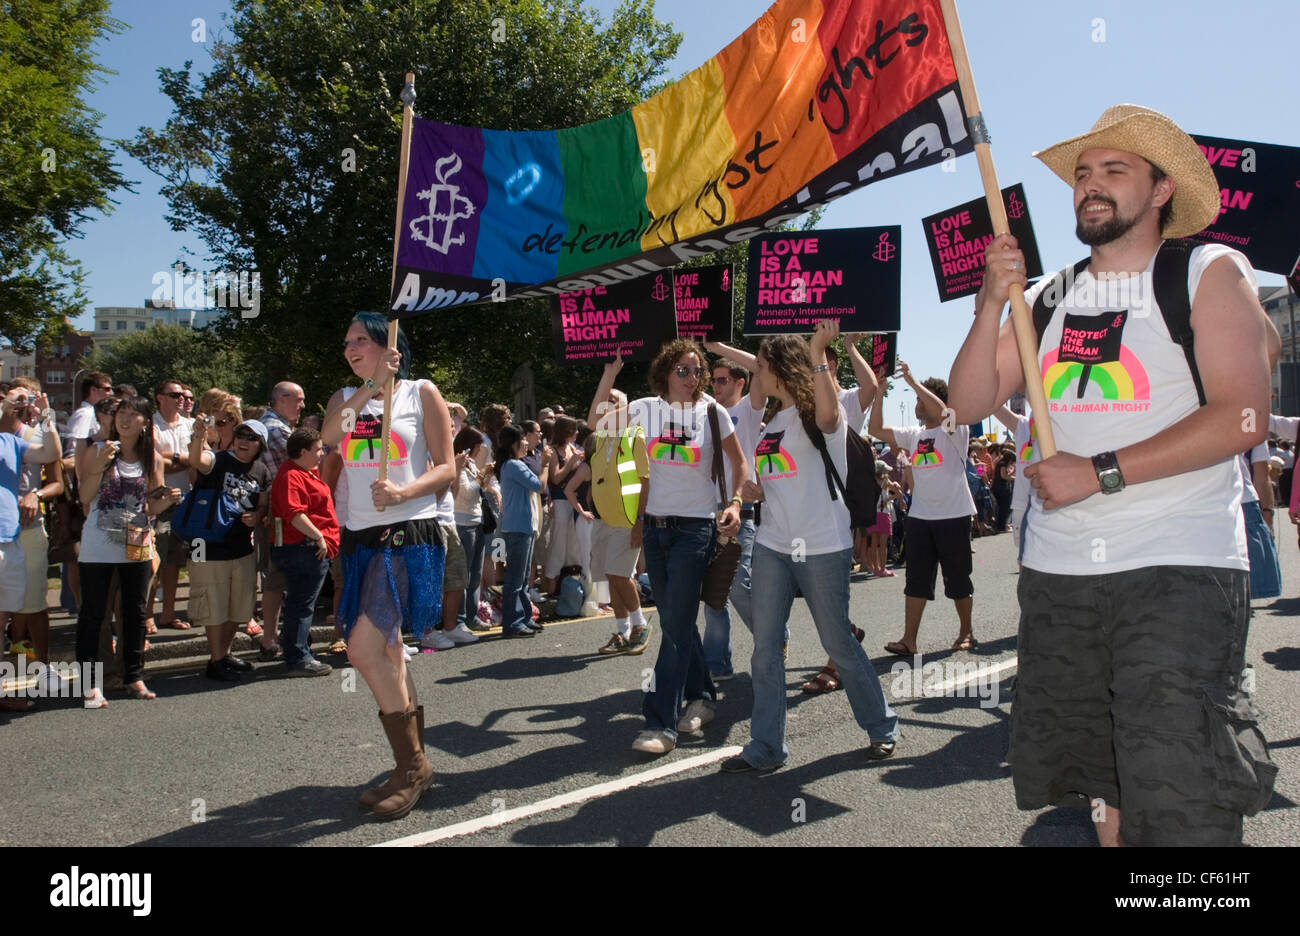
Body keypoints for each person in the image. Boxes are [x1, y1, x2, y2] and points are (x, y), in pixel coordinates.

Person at [947, 104, 1278, 846]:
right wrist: (987, 308)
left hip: (1178, 568)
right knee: (1102, 780)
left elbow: (1243, 418)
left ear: (1162, 191)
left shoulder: (1207, 271)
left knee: (1181, 787)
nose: (1090, 186)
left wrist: (1100, 472)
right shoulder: (1047, 298)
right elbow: (968, 400)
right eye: (1083, 174)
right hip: (1061, 577)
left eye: (1114, 171)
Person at [722, 323, 899, 772]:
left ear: (779, 370)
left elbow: (827, 419)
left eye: (759, 367)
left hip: (822, 545)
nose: (754, 374)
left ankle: (881, 726)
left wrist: (820, 350)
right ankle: (766, 746)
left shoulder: (819, 410)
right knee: (764, 648)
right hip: (773, 545)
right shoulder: (771, 421)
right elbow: (779, 478)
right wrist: (753, 492)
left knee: (837, 640)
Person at [322, 312, 452, 819]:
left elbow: (446, 467)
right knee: (390, 651)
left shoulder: (422, 393)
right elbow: (333, 435)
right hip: (359, 538)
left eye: (361, 339)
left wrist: (403, 489)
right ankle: (413, 766)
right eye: (347, 340)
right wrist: (368, 389)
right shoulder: (343, 398)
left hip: (408, 531)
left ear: (386, 344)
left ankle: (411, 765)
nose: (351, 347)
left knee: (362, 647)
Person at [624, 339, 746, 755]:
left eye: (698, 371)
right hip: (656, 529)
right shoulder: (643, 408)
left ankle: (660, 722)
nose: (693, 378)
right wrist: (608, 373)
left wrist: (734, 502)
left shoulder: (712, 412)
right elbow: (596, 429)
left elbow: (739, 463)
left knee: (674, 625)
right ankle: (703, 697)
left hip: (695, 530)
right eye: (684, 370)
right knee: (678, 619)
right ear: (665, 372)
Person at [75, 396, 182, 707]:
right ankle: (90, 683)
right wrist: (97, 467)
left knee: (134, 612)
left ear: (145, 422)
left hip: (136, 538)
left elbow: (151, 506)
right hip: (98, 540)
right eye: (121, 413)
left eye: (133, 415)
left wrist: (168, 499)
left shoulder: (153, 459)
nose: (125, 419)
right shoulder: (99, 450)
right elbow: (84, 496)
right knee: (94, 613)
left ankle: (133, 674)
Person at [870, 360, 977, 656]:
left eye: (920, 399)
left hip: (954, 516)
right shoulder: (914, 435)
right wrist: (880, 393)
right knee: (916, 580)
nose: (916, 402)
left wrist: (915, 382)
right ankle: (909, 639)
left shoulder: (955, 429)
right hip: (920, 518)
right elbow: (875, 428)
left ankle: (966, 631)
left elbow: (943, 412)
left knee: (957, 578)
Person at [698, 344, 766, 681]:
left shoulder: (749, 409)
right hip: (707, 512)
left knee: (738, 585)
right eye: (713, 381)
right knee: (714, 594)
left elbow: (759, 364)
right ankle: (717, 664)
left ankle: (771, 638)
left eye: (722, 380)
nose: (716, 386)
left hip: (741, 510)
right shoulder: (709, 414)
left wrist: (718, 347)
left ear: (741, 381)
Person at [0, 386, 63, 711]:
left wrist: (47, 416)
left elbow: (53, 463)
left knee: (23, 606)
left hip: (18, 534)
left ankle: (36, 669)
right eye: (15, 399)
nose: (21, 405)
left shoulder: (19, 439)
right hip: (5, 534)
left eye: (26, 399)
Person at [585, 367, 653, 655]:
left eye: (613, 401)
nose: (606, 406)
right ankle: (622, 631)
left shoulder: (635, 435)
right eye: (605, 402)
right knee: (608, 576)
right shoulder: (599, 438)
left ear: (625, 409)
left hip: (626, 518)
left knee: (619, 573)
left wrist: (639, 521)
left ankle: (640, 625)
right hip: (603, 518)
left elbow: (644, 481)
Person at [269, 427, 336, 676]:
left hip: (306, 547)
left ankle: (300, 651)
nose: (321, 454)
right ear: (303, 451)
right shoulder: (291, 475)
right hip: (302, 547)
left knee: (301, 602)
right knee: (301, 603)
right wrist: (319, 536)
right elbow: (294, 513)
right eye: (318, 449)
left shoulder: (302, 472)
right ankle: (298, 657)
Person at [255, 381, 307, 659]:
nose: (302, 406)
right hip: (284, 514)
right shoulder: (276, 430)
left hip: (280, 512)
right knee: (282, 574)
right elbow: (306, 463)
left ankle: (275, 637)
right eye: (298, 400)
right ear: (281, 399)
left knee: (278, 574)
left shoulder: (272, 426)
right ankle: (276, 638)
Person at [151, 378, 194, 630]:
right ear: (160, 397)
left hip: (188, 500)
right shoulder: (151, 425)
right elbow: (154, 458)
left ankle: (168, 613)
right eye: (175, 394)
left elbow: (201, 456)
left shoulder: (189, 424)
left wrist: (174, 459)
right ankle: (147, 615)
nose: (181, 399)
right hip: (161, 501)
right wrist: (186, 460)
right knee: (157, 559)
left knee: (179, 561)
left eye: (184, 395)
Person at [494, 424, 542, 637]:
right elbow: (538, 485)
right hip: (518, 527)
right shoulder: (514, 465)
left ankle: (523, 617)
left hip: (520, 525)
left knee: (522, 577)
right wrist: (547, 465)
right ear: (514, 443)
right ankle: (513, 622)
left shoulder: (510, 464)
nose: (525, 443)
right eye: (522, 439)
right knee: (516, 577)